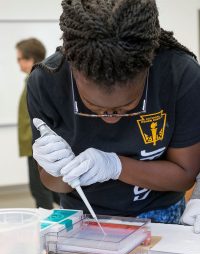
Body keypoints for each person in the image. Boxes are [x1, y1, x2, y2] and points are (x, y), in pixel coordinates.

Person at [27, 0, 200, 228]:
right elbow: (54, 183)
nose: (111, 119)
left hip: (159, 213)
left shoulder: (179, 75)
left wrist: (116, 166)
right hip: (82, 215)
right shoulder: (46, 83)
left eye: (126, 107)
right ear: (73, 68)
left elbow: (185, 176)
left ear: (148, 69)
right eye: (93, 107)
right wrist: (56, 170)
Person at [16, 38, 60, 209]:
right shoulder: (32, 80)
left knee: (40, 190)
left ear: (30, 59)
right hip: (33, 145)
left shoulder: (36, 81)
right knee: (50, 190)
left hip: (37, 145)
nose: (18, 63)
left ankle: (46, 229)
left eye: (19, 58)